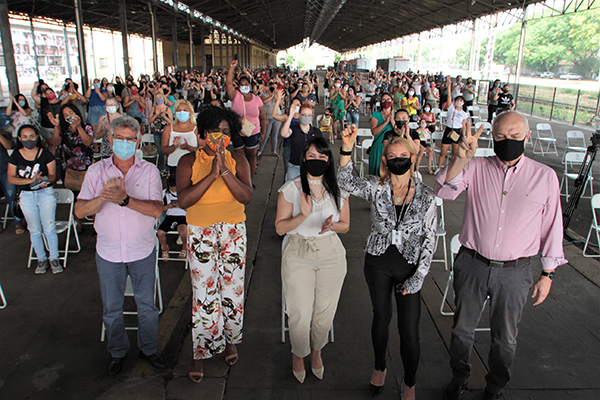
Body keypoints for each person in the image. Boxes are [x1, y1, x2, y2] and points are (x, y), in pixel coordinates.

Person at [435, 111, 566, 400]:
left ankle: (495, 385)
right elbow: (444, 192)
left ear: (527, 137)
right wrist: (460, 159)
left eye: (516, 137)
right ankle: (459, 377)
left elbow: (552, 226)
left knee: (505, 338)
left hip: (515, 272)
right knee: (461, 331)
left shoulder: (544, 177)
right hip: (472, 264)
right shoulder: (477, 166)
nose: (508, 142)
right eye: (500, 137)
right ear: (492, 137)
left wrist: (548, 273)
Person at [338, 126, 437, 400]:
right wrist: (346, 148)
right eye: (391, 156)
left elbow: (430, 240)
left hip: (409, 268)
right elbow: (345, 182)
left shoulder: (426, 195)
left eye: (402, 155)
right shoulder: (376, 188)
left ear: (412, 157)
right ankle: (380, 366)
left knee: (409, 330)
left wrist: (417, 279)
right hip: (377, 263)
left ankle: (410, 381)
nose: (397, 160)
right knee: (381, 318)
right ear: (384, 160)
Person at [74, 115, 167, 376]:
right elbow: (80, 211)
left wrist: (125, 199)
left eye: (130, 138)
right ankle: (117, 352)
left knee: (146, 306)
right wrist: (103, 197)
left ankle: (149, 349)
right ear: (110, 139)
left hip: (142, 250)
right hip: (108, 252)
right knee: (112, 308)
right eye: (119, 138)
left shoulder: (148, 171)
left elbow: (157, 209)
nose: (125, 143)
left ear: (138, 141)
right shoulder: (96, 171)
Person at [176, 105, 253, 384]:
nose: (219, 137)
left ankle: (230, 339)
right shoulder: (188, 161)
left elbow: (246, 197)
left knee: (232, 290)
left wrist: (224, 171)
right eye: (213, 132)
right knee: (204, 294)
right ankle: (201, 351)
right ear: (202, 134)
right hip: (201, 233)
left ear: (231, 136)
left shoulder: (239, 161)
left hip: (233, 232)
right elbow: (184, 200)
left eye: (225, 132)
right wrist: (210, 173)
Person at [275, 136, 350, 383]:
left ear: (329, 160)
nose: (317, 160)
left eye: (322, 156)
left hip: (331, 253)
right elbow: (280, 228)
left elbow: (346, 226)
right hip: (298, 252)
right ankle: (299, 354)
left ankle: (316, 351)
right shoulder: (291, 188)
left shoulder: (339, 189)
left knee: (325, 311)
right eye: (312, 156)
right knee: (299, 311)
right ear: (304, 159)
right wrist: (303, 215)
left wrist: (332, 226)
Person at [7, 125, 60, 273]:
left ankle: (54, 258)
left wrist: (43, 180)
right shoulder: (16, 155)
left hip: (45, 193)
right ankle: (42, 259)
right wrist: (30, 181)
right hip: (27, 195)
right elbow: (11, 178)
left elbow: (52, 176)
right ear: (19, 139)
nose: (28, 139)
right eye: (25, 137)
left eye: (31, 136)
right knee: (34, 229)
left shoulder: (45, 154)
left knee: (49, 228)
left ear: (37, 137)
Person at [226, 60, 267, 181]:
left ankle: (250, 180)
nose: (244, 87)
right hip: (238, 132)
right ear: (238, 86)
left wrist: (263, 133)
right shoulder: (235, 96)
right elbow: (228, 84)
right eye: (241, 85)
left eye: (246, 84)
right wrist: (231, 68)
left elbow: (262, 117)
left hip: (253, 132)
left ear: (249, 85)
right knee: (241, 157)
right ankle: (242, 180)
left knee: (252, 156)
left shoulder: (257, 100)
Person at [280, 102, 323, 181]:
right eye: (303, 114)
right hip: (294, 167)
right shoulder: (294, 129)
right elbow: (284, 133)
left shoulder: (316, 132)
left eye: (309, 115)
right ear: (299, 115)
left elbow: (322, 150)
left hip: (311, 168)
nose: (306, 117)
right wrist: (291, 115)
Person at [438, 78, 469, 172]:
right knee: (443, 152)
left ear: (463, 103)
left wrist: (464, 136)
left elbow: (464, 125)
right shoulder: (451, 108)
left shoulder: (464, 114)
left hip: (458, 132)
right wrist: (449, 86)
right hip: (449, 130)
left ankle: (451, 169)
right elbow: (449, 97)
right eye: (458, 100)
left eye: (461, 101)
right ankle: (439, 168)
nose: (459, 102)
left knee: (455, 153)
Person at [161, 99, 198, 176]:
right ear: (175, 113)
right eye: (179, 110)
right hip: (174, 164)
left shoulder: (197, 128)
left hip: (193, 165)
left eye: (185, 110)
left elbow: (202, 150)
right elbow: (164, 150)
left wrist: (188, 147)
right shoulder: (168, 128)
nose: (182, 112)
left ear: (190, 113)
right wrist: (174, 146)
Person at [0, 124, 26, 234]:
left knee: (12, 197)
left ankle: (18, 223)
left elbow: (9, 146)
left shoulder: (2, 133)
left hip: (5, 170)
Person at [157, 175, 187, 259]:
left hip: (182, 216)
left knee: (183, 232)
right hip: (170, 216)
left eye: (175, 189)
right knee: (160, 233)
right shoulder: (166, 194)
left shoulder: (184, 193)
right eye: (172, 189)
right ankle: (164, 248)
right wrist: (168, 207)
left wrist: (180, 206)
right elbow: (160, 209)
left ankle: (184, 248)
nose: (173, 191)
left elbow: (191, 209)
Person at [368, 93, 395, 177]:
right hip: (378, 146)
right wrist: (386, 122)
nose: (386, 102)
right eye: (383, 100)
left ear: (392, 101)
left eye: (388, 99)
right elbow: (374, 132)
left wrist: (392, 120)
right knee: (376, 173)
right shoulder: (376, 114)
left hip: (391, 146)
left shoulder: (396, 115)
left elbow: (398, 131)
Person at [149, 93, 174, 174]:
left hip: (166, 132)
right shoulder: (153, 108)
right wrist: (155, 115)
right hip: (157, 132)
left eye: (160, 97)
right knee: (160, 151)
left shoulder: (168, 109)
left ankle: (169, 168)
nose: (159, 99)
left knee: (167, 150)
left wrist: (164, 117)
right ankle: (163, 168)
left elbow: (171, 121)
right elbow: (149, 121)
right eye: (157, 98)